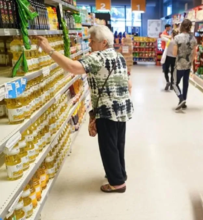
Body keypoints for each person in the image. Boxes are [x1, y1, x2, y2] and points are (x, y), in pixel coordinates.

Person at [37, 25, 134, 193]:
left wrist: (49, 50)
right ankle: (120, 174)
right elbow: (128, 84)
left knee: (108, 146)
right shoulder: (119, 57)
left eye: (92, 41)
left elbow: (72, 67)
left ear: (103, 42)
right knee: (118, 144)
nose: (89, 44)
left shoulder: (97, 57)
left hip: (107, 109)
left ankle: (117, 183)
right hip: (122, 108)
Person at [172, 19, 197, 110]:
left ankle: (181, 98)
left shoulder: (177, 38)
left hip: (179, 65)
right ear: (190, 27)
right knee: (185, 83)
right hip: (188, 64)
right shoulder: (193, 38)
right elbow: (194, 53)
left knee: (174, 83)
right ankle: (184, 102)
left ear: (181, 26)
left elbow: (175, 53)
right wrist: (190, 61)